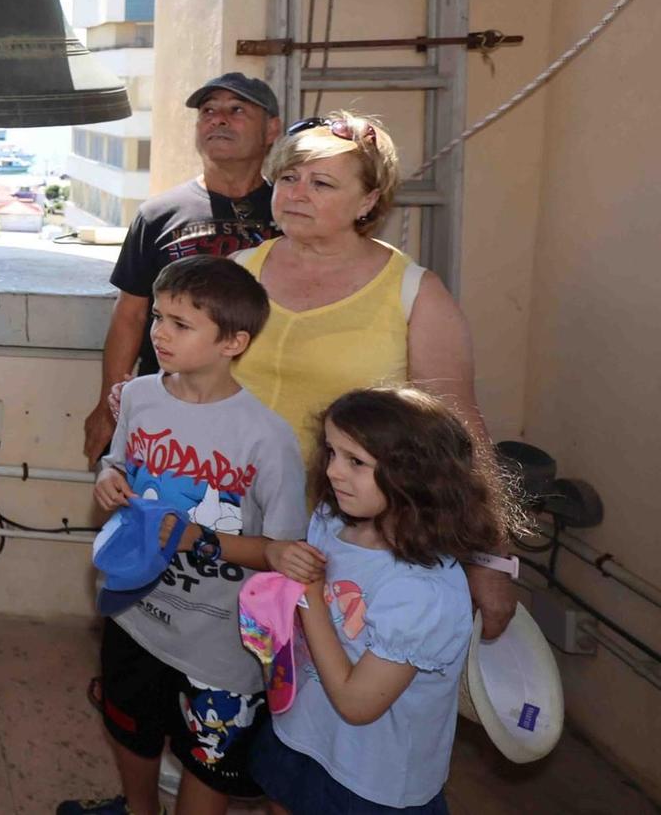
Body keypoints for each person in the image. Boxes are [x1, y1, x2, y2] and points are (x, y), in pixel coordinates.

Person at [229, 111, 518, 638]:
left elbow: (463, 433)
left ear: (367, 202)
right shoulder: (236, 273)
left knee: (326, 692)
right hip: (228, 521)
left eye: (321, 183)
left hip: (347, 543)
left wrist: (490, 560)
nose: (296, 193)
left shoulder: (414, 294)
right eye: (288, 177)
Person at [59, 256, 312, 815]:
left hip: (219, 641)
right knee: (130, 729)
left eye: (181, 324)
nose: (160, 334)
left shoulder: (267, 439)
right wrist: (109, 477)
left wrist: (195, 537)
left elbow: (283, 552)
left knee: (208, 760)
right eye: (159, 317)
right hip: (135, 613)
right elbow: (119, 461)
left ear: (233, 342)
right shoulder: (140, 396)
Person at [251, 387, 527, 814]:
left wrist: (309, 594)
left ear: (415, 477)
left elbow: (357, 704)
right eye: (332, 452)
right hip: (306, 733)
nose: (333, 472)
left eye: (355, 461)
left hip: (372, 780)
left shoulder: (424, 593)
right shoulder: (330, 520)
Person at [83, 73, 283, 464]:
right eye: (208, 111)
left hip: (266, 405)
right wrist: (108, 406)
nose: (219, 119)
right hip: (171, 411)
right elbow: (130, 314)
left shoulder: (292, 211)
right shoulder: (159, 215)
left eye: (237, 110)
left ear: (271, 129)